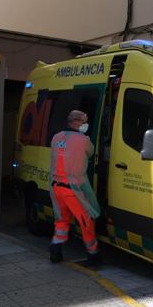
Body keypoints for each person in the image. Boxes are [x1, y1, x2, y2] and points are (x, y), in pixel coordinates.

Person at [49, 110, 102, 266]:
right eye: (84, 121)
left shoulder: (56, 137)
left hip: (55, 188)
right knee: (86, 220)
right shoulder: (83, 140)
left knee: (62, 220)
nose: (86, 124)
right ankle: (93, 254)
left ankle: (55, 250)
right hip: (72, 189)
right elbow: (91, 153)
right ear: (76, 122)